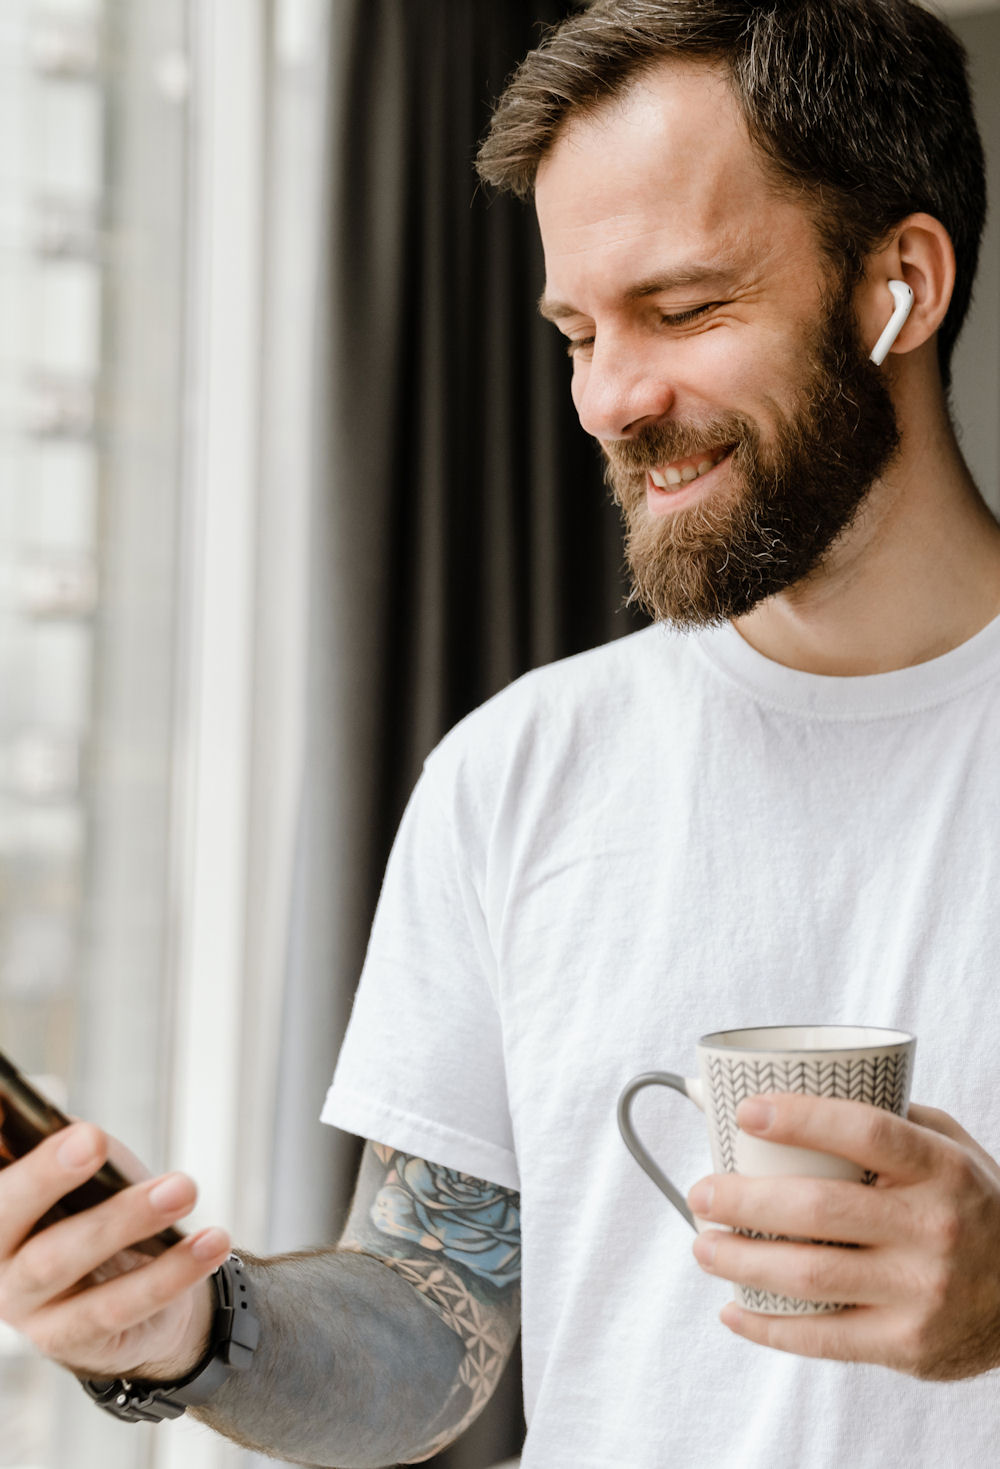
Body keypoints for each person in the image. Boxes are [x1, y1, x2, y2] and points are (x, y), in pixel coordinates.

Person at [2, 1, 1000, 1464]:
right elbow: (429, 1334)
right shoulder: (515, 773)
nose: (608, 401)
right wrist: (193, 1335)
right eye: (580, 332)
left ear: (898, 286)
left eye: (684, 309)